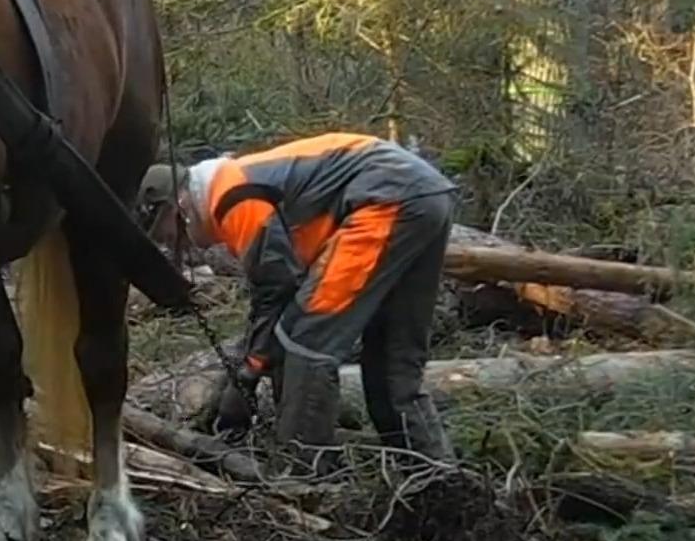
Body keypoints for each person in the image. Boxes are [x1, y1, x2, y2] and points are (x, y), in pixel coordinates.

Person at [138, 132, 459, 469]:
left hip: (387, 198)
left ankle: (302, 474)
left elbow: (276, 289)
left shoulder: (231, 195)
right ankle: (434, 475)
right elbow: (282, 293)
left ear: (179, 206)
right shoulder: (237, 185)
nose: (175, 244)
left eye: (167, 234)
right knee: (394, 362)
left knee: (307, 341)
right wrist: (250, 367)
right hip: (424, 194)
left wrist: (247, 374)